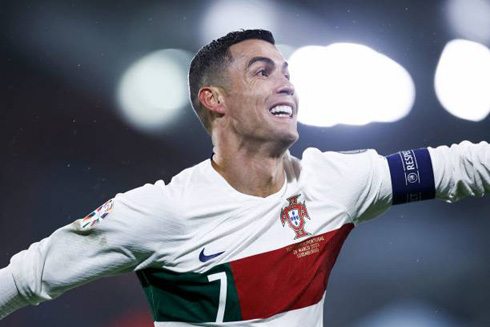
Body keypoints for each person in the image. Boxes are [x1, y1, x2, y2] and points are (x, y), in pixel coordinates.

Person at [0, 29, 489, 326]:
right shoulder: (158, 212)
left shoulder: (335, 181)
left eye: (287, 72)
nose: (287, 84)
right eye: (263, 72)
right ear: (215, 101)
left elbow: (461, 166)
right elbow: (26, 277)